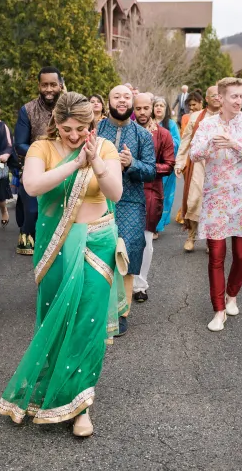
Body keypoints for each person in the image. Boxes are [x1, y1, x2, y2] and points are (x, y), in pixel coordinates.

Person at [0, 92, 124, 438]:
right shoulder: (43, 148)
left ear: (92, 125)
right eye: (67, 128)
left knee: (87, 324)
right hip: (56, 245)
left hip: (97, 240)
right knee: (56, 317)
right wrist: (74, 163)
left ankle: (80, 405)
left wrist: (95, 161)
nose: (74, 135)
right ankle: (50, 389)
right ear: (56, 124)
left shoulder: (106, 149)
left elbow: (115, 193)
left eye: (81, 128)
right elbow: (32, 186)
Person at [190, 77, 242, 330]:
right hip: (216, 198)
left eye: (241, 95)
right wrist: (212, 143)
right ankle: (218, 310)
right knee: (216, 257)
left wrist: (234, 144)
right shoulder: (207, 125)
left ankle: (232, 295)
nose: (238, 100)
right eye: (233, 96)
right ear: (220, 98)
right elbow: (193, 154)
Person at [97, 85, 156, 333]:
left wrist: (132, 163)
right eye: (116, 96)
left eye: (126, 97)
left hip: (130, 201)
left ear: (132, 102)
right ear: (108, 101)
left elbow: (151, 170)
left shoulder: (143, 135)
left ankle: (122, 312)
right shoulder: (96, 130)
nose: (122, 101)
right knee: (99, 251)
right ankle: (97, 310)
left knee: (128, 252)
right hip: (97, 198)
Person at [14, 67, 63, 255]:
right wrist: (45, 155)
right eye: (45, 85)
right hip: (35, 169)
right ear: (39, 86)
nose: (49, 89)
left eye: (53, 84)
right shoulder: (27, 110)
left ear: (60, 85)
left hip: (65, 168)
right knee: (33, 213)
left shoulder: (68, 108)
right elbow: (19, 144)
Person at [134, 93, 175, 302]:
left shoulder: (163, 134)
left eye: (146, 108)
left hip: (151, 190)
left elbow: (169, 165)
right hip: (126, 190)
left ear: (152, 108)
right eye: (138, 108)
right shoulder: (126, 130)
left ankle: (140, 285)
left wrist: (143, 168)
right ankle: (123, 282)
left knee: (146, 240)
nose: (142, 112)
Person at [176, 85, 221, 252]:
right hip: (198, 165)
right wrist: (180, 163)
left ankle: (211, 239)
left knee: (214, 204)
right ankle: (192, 235)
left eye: (220, 95)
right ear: (207, 99)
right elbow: (186, 141)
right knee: (194, 200)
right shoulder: (195, 117)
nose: (217, 98)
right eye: (214, 95)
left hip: (220, 167)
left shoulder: (228, 117)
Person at [153, 96, 182, 237]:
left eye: (162, 105)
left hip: (166, 166)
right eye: (156, 105)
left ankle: (157, 226)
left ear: (166, 109)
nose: (158, 108)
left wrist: (164, 140)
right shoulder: (148, 123)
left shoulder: (170, 124)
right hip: (150, 165)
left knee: (162, 196)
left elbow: (178, 142)